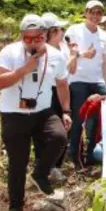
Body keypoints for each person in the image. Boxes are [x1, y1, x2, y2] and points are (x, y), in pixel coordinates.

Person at [0, 14, 71, 211]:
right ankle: (15, 209)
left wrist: (66, 111)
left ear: (45, 36)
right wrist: (23, 70)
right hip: (14, 113)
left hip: (42, 111)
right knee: (18, 161)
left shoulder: (56, 56)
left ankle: (40, 173)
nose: (33, 42)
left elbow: (62, 84)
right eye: (28, 38)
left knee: (59, 137)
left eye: (38, 38)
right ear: (21, 37)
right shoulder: (9, 52)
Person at [64, 0, 106, 170]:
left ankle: (92, 153)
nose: (95, 16)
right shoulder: (74, 30)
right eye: (92, 12)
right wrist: (83, 54)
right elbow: (68, 54)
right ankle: (75, 155)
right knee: (79, 117)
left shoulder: (104, 36)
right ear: (86, 12)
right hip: (78, 79)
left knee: (102, 115)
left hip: (97, 80)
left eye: (99, 12)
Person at [37, 12, 77, 182]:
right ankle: (49, 167)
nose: (63, 32)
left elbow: (68, 71)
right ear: (53, 32)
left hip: (59, 91)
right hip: (52, 92)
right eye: (60, 29)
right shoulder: (46, 51)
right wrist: (73, 56)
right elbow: (58, 75)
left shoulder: (60, 49)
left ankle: (52, 166)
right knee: (52, 130)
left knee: (60, 129)